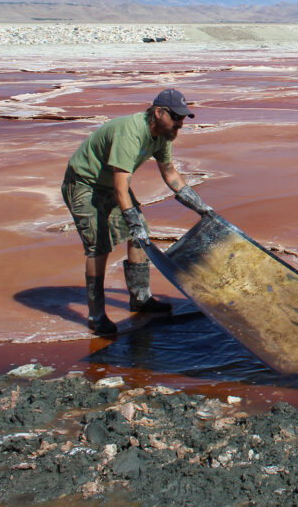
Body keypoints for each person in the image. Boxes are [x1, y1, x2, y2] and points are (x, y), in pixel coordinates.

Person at [61, 88, 213, 335]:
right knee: (99, 247)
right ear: (158, 112)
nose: (180, 124)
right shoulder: (130, 134)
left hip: (111, 184)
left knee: (140, 237)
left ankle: (140, 298)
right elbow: (122, 187)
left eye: (183, 118)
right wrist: (132, 220)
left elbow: (170, 173)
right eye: (176, 117)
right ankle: (96, 315)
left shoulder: (163, 135)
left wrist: (200, 207)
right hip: (85, 183)